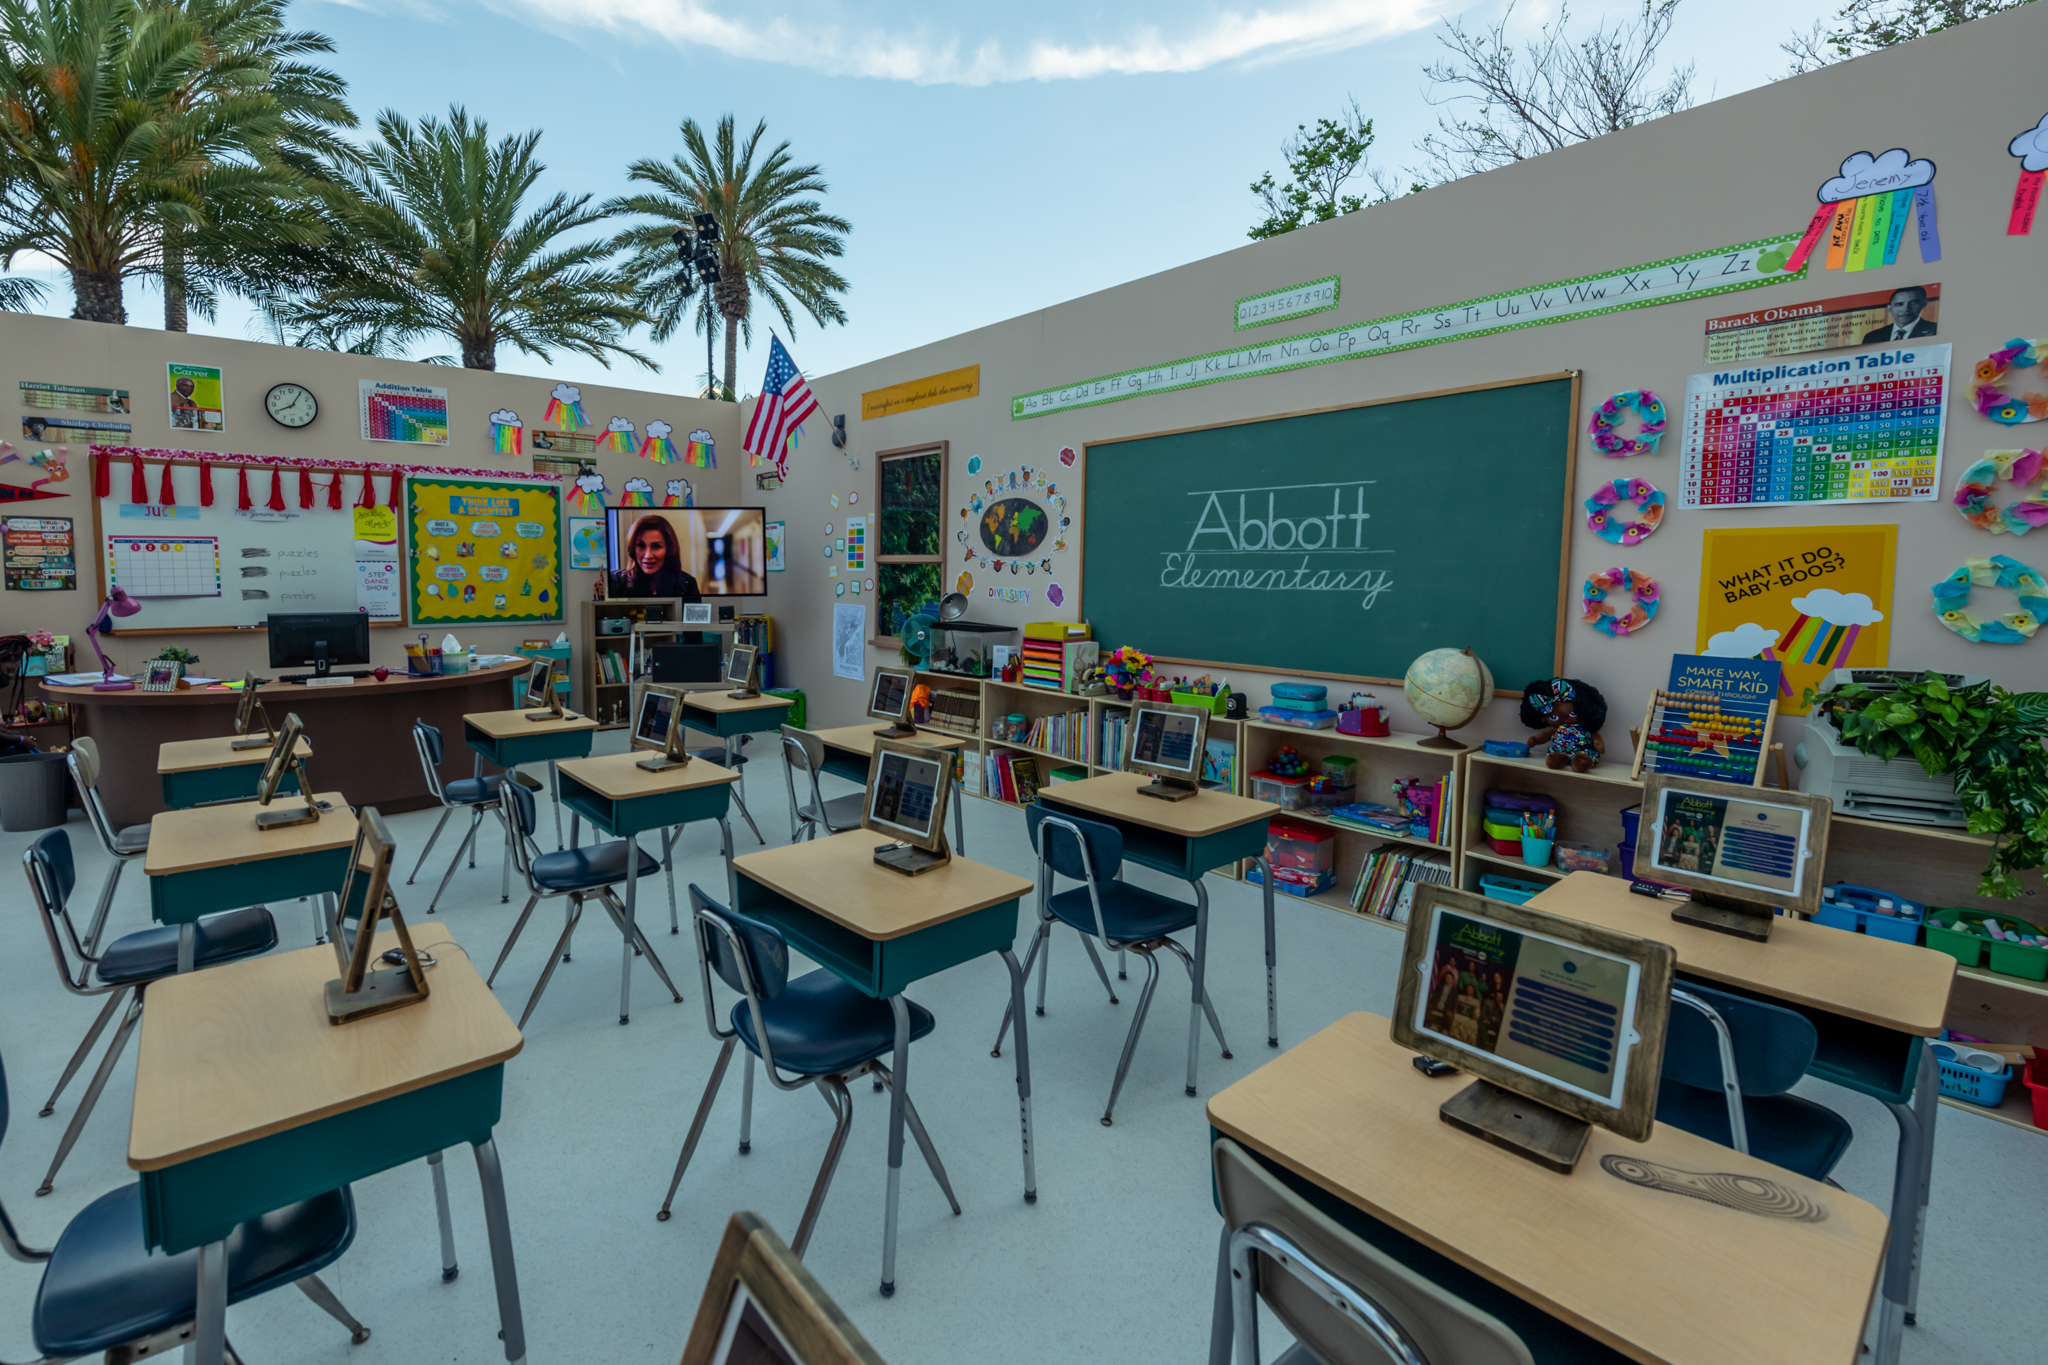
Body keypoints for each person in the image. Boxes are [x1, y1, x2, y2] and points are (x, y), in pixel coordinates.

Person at [609, 513, 702, 603]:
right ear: (633, 549)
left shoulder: (687, 584)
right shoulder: (617, 582)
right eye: (641, 545)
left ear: (669, 549)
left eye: (656, 546)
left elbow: (696, 618)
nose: (648, 555)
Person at [1862, 286, 1936, 344]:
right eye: (1899, 304)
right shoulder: (1872, 337)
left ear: (1924, 304)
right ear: (1890, 308)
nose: (1906, 309)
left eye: (1913, 303)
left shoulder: (1935, 329)